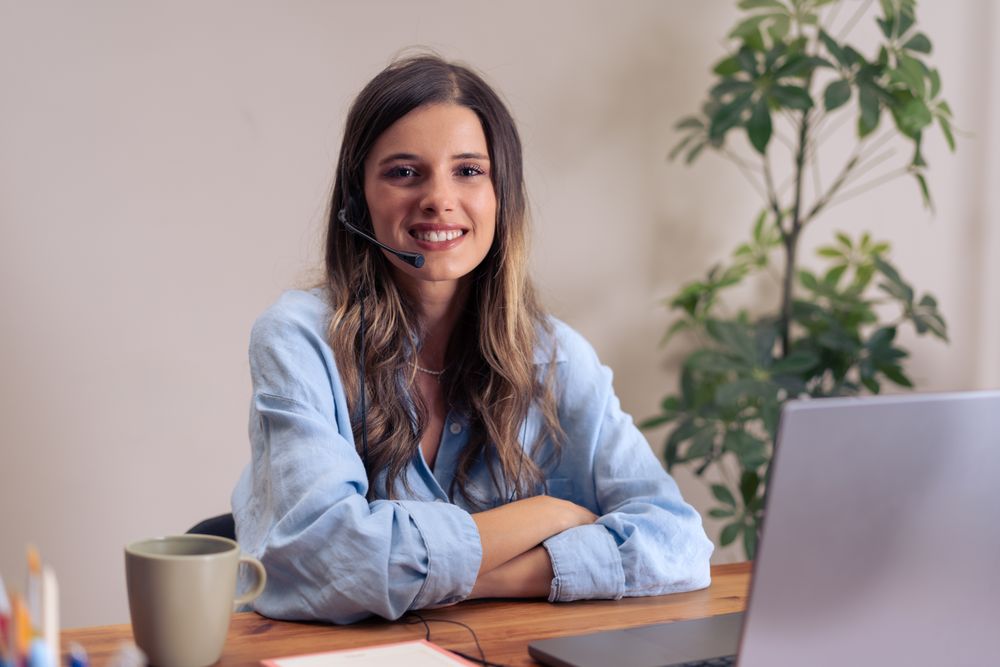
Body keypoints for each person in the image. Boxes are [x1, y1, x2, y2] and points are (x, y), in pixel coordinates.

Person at [231, 54, 713, 625]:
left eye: (467, 171)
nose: (438, 198)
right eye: (404, 172)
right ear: (358, 199)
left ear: (500, 196)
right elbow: (329, 560)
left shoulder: (555, 356)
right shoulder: (297, 339)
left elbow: (679, 543)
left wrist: (480, 580)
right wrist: (546, 515)